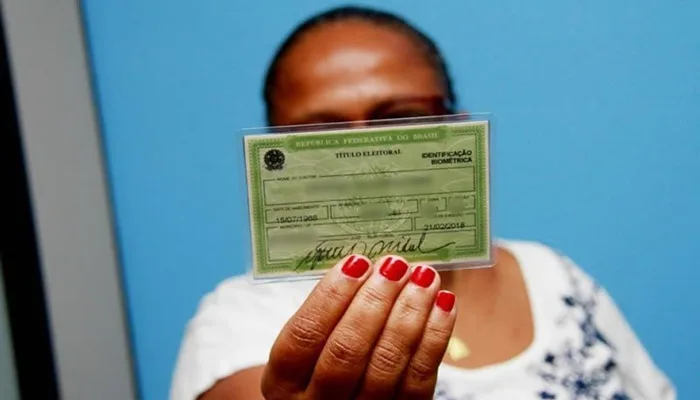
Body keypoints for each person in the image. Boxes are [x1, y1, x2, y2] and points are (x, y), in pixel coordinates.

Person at [171, 6, 675, 400]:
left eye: (400, 117)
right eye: (322, 132)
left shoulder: (554, 276)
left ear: (456, 127)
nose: (366, 154)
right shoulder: (238, 320)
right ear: (273, 153)